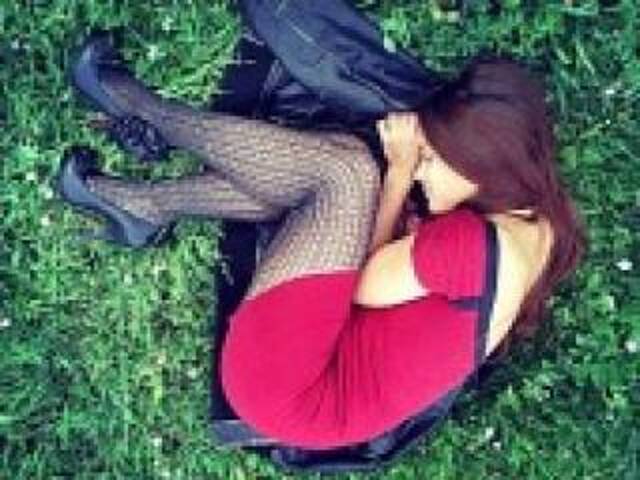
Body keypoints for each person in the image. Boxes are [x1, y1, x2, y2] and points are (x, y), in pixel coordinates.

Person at [56, 34, 586, 450]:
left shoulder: (473, 245)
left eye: (431, 157)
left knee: (349, 174)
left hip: (286, 383)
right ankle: (142, 207)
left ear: (479, 165)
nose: (424, 171)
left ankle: (137, 106)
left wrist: (400, 172)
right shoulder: (536, 235)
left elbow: (363, 281)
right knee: (318, 192)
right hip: (310, 390)